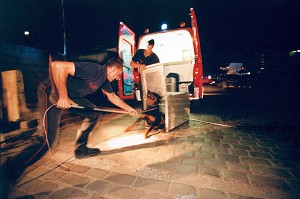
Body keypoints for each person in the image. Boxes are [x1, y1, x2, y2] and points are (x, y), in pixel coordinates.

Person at [36, 56, 137, 159]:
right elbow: (57, 66)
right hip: (51, 90)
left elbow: (112, 96)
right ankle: (20, 164)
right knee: (47, 141)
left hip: (72, 96)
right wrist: (63, 96)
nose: (117, 78)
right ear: (114, 68)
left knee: (94, 114)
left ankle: (81, 149)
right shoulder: (94, 70)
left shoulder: (103, 81)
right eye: (118, 74)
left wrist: (129, 109)